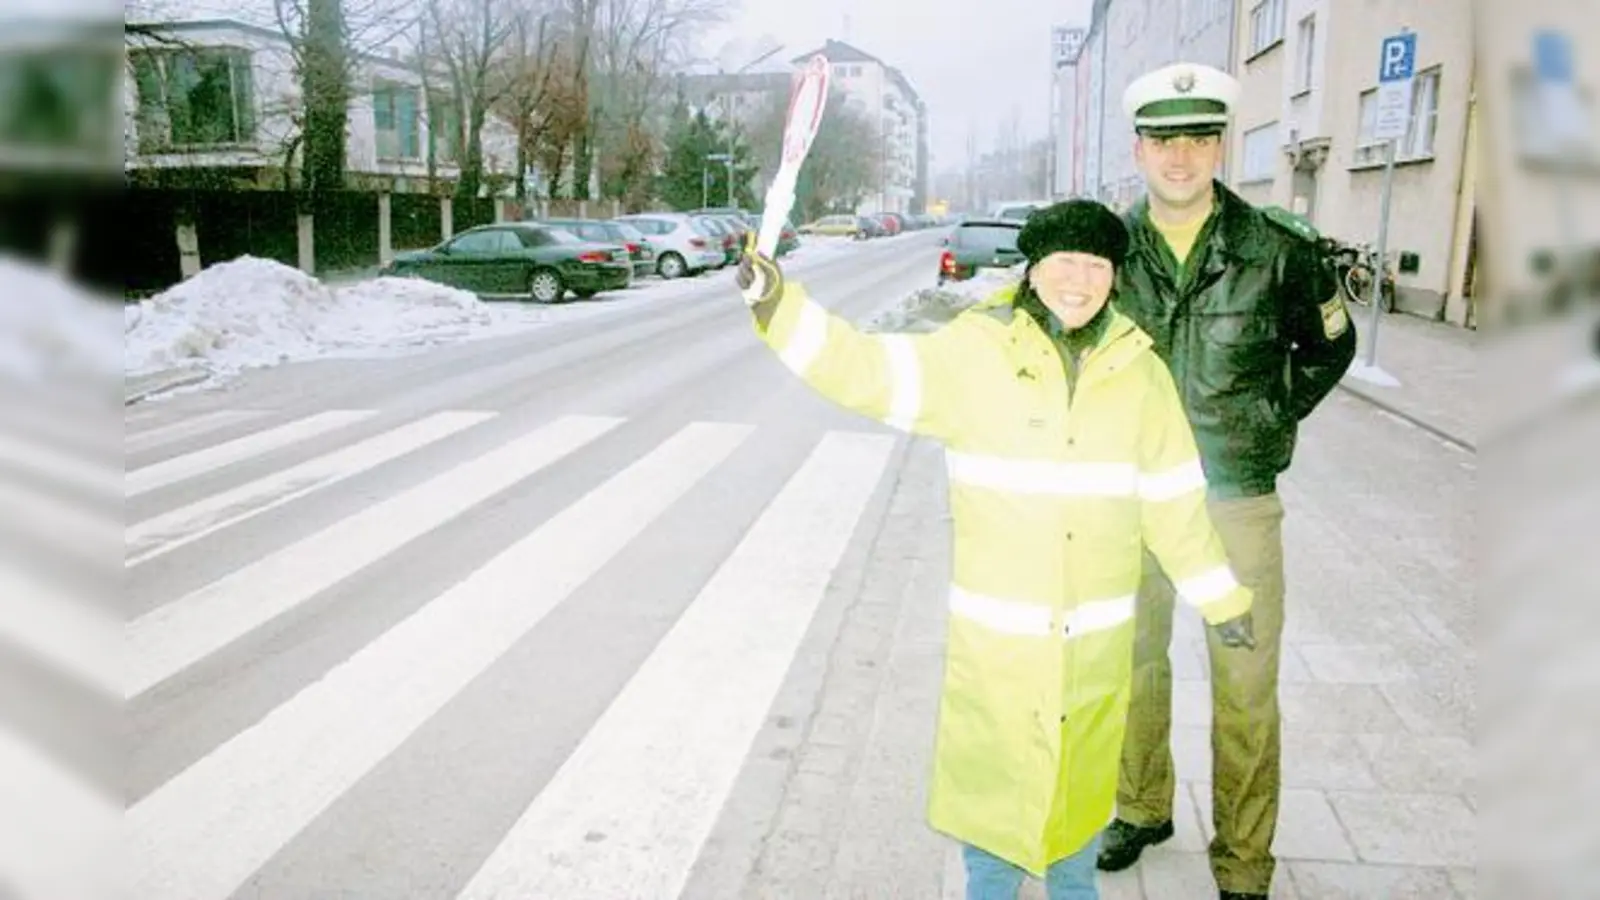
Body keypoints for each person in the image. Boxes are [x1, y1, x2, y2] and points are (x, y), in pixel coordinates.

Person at [734, 199, 1257, 900]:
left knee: (1074, 843)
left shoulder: (1141, 374)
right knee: (993, 843)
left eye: (1096, 264)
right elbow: (865, 368)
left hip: (1092, 660)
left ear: (1114, 276)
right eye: (1064, 261)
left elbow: (1174, 504)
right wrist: (779, 308)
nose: (1079, 279)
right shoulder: (975, 354)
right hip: (1000, 657)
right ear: (1033, 270)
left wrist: (1221, 598)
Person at [1095, 63, 1358, 900]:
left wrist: (1268, 421)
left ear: (1222, 146)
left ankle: (1244, 861)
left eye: (1199, 138)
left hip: (1235, 501)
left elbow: (1331, 347)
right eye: (1164, 140)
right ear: (1138, 149)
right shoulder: (1105, 252)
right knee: (1134, 665)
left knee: (1244, 686)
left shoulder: (1277, 250)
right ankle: (1141, 806)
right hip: (1134, 501)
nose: (1181, 157)